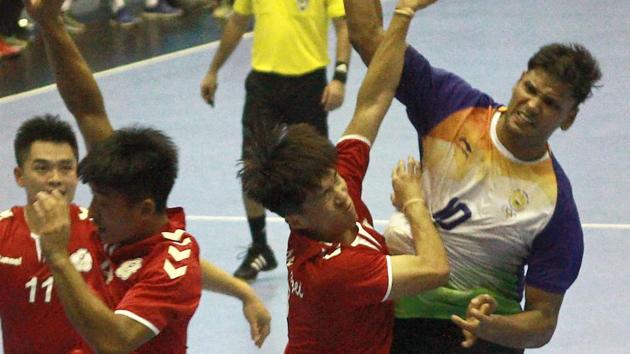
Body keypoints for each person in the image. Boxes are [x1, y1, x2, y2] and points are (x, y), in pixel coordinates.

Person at [343, 0, 602, 352]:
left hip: (479, 337)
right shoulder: (452, 106)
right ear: (518, 81)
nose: (532, 105)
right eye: (530, 89)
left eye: (550, 103)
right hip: (406, 316)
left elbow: (542, 321)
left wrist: (492, 326)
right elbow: (369, 38)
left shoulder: (555, 204)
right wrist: (404, 10)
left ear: (568, 118)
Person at [24, 0, 271, 351]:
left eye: (102, 204)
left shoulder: (166, 266)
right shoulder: (127, 207)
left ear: (143, 209)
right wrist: (52, 25)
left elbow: (115, 342)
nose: (91, 213)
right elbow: (87, 109)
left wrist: (58, 257)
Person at [239, 1, 449, 352]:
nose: (341, 194)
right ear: (296, 219)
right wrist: (413, 200)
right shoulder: (333, 271)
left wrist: (403, 14)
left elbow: (373, 101)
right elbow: (434, 268)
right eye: (326, 194)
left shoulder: (331, 188)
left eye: (335, 180)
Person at [200, 0, 352, 280]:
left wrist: (340, 76)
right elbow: (237, 21)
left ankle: (326, 244)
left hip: (308, 84)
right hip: (263, 86)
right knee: (252, 166)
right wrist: (213, 70)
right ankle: (259, 247)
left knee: (317, 171)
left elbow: (343, 26)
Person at [0, 115, 113, 353]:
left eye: (66, 168)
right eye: (42, 168)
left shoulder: (100, 229)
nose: (55, 179)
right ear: (20, 176)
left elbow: (162, 258)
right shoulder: (2, 233)